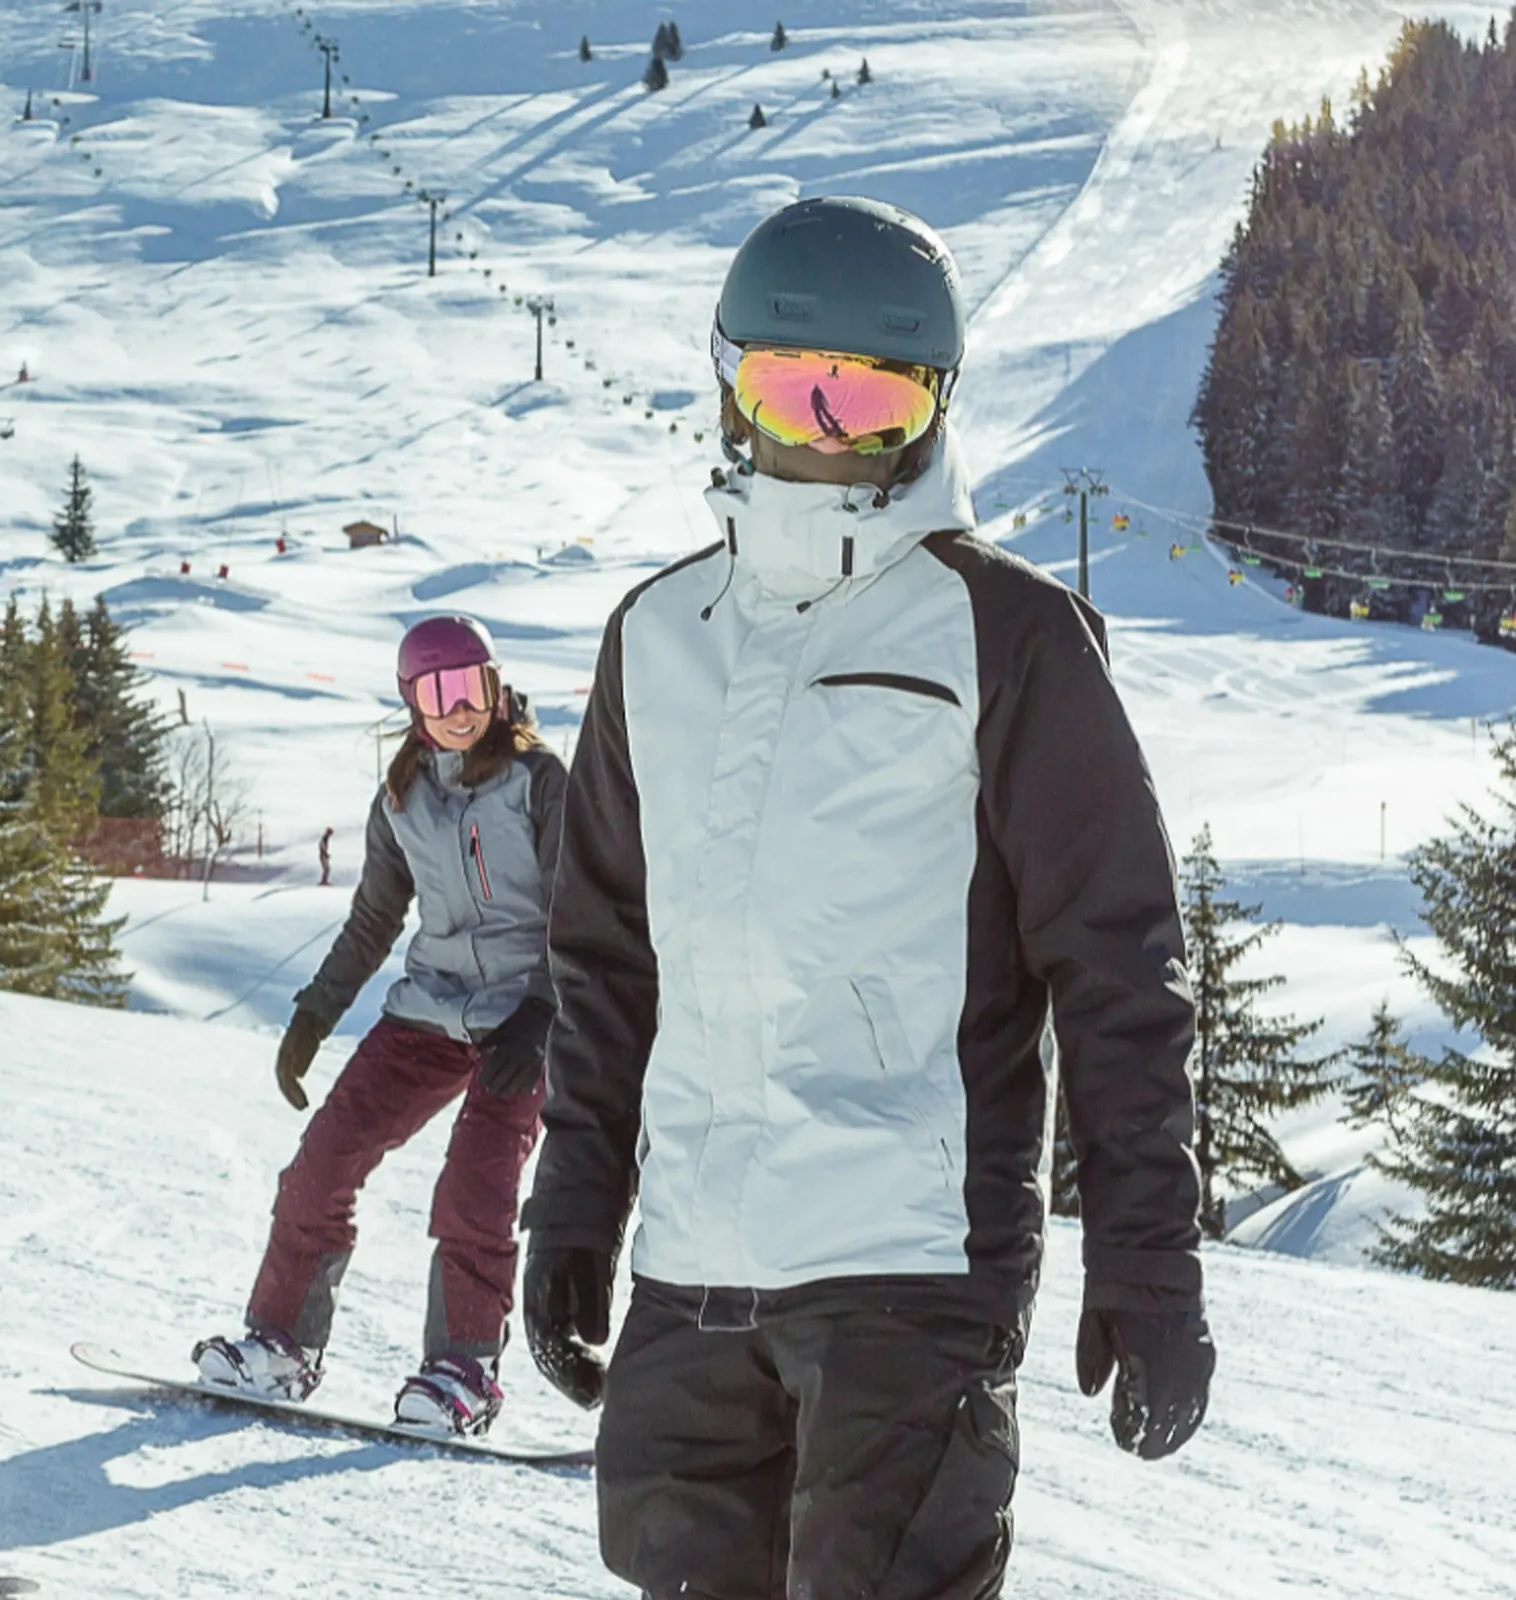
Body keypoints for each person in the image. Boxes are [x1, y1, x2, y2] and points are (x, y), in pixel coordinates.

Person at [520, 196, 1214, 1597]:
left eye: (873, 402)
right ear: (729, 388)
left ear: (933, 410)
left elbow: (1120, 962)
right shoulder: (653, 638)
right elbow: (604, 955)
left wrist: (1149, 1259)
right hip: (695, 1258)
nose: (828, 435)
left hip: (910, 1262)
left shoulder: (1006, 634)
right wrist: (578, 1202)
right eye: (792, 388)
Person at [195, 615, 565, 1436]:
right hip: (428, 1012)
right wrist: (315, 1012)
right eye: (438, 692)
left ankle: (463, 1369)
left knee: (474, 1190)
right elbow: (374, 919)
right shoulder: (402, 796)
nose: (459, 707)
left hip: (522, 1018)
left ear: (497, 690)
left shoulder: (541, 782)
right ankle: (281, 1345)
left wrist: (542, 1012)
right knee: (320, 1167)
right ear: (412, 703)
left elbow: (580, 912)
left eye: (472, 687)